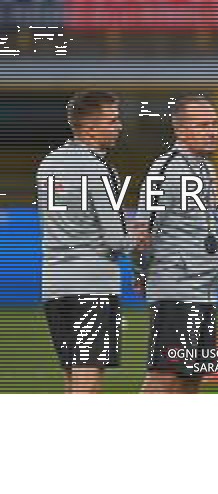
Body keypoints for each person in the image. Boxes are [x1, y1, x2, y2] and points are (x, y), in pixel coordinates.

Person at [36, 91, 129, 393]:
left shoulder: (48, 164)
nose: (119, 126)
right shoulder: (99, 169)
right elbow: (116, 241)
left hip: (54, 284)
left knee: (72, 380)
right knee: (88, 379)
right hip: (92, 283)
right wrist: (142, 237)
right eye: (112, 120)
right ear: (90, 128)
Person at [134, 94, 218, 394]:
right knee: (166, 373)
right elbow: (143, 228)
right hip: (175, 286)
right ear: (181, 129)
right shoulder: (166, 169)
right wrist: (141, 272)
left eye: (214, 124)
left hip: (204, 287)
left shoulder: (207, 168)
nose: (212, 131)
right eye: (203, 125)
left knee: (192, 376)